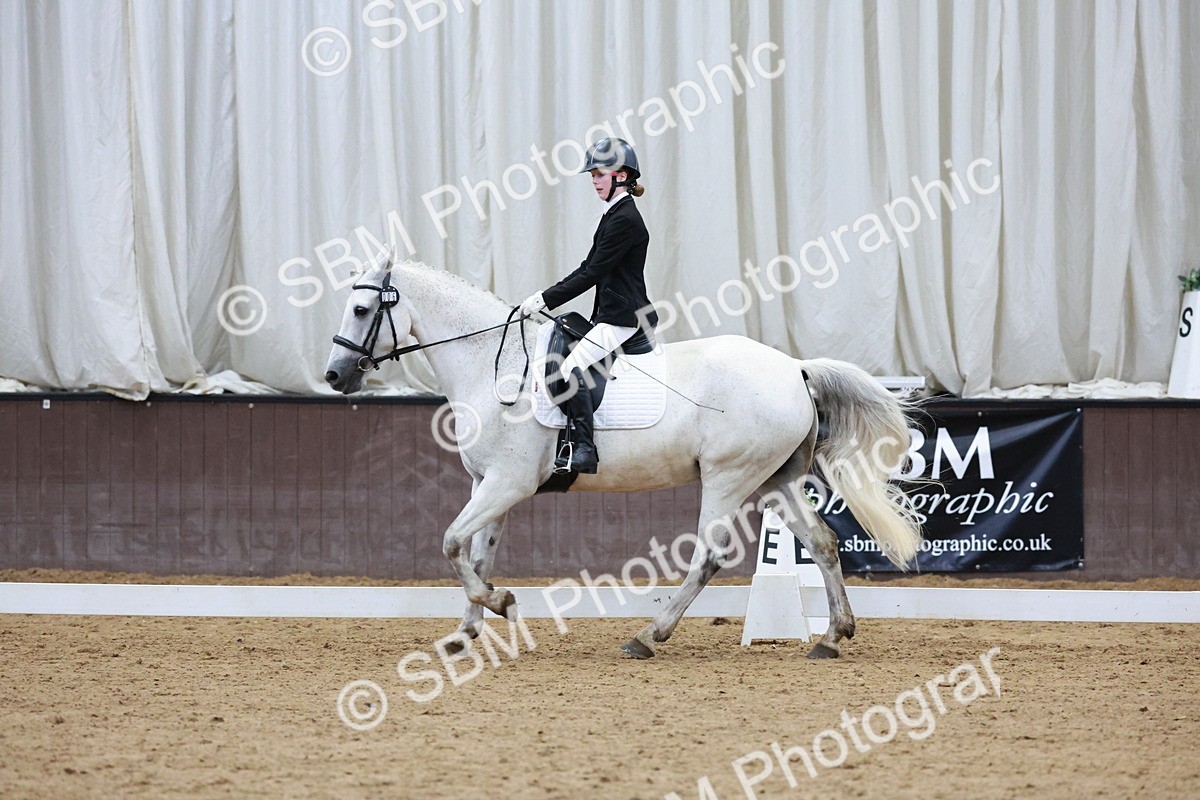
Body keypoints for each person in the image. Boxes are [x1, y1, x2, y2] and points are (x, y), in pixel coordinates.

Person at [519, 137, 658, 474]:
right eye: (592, 175)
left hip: (623, 318)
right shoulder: (613, 214)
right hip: (611, 313)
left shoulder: (624, 219)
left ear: (621, 176)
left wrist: (546, 299)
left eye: (599, 174)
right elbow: (588, 267)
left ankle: (584, 448)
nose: (594, 181)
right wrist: (546, 294)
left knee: (570, 368)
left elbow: (592, 273)